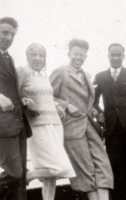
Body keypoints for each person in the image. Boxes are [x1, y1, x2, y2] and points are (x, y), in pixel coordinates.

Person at [49, 39, 113, 200]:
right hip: (72, 128)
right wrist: (67, 104)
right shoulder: (60, 71)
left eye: (82, 55)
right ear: (69, 54)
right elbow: (47, 96)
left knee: (103, 164)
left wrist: (91, 108)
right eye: (75, 54)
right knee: (84, 169)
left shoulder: (87, 74)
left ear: (86, 56)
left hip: (89, 125)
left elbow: (87, 99)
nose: (78, 58)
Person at [17, 43, 76, 200]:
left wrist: (56, 105)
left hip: (56, 124)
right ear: (27, 56)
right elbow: (13, 93)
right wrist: (24, 100)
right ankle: (26, 176)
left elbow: (47, 96)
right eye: (34, 54)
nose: (38, 58)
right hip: (38, 125)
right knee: (59, 168)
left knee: (51, 175)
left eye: (41, 55)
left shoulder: (43, 75)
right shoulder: (22, 71)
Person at [93, 43, 126, 200]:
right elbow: (92, 100)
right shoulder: (100, 76)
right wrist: (99, 113)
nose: (116, 58)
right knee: (115, 167)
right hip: (111, 129)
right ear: (108, 56)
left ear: (123, 56)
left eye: (119, 55)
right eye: (113, 55)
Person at [0, 17, 32, 200]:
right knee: (13, 174)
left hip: (18, 124)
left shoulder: (7, 57)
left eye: (12, 34)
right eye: (4, 32)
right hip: (4, 125)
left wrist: (23, 99)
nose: (9, 37)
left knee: (20, 180)